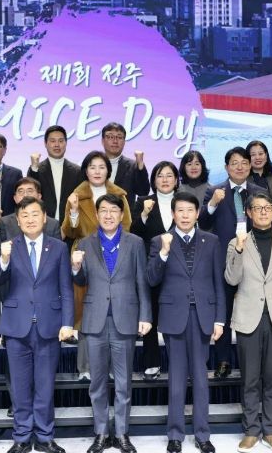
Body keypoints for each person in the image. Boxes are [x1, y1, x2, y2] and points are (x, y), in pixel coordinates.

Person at [0, 196, 74, 453]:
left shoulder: (58, 247)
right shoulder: (9, 246)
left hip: (49, 326)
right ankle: (22, 437)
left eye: (35, 214)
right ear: (17, 220)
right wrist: (3, 260)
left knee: (45, 386)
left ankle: (45, 436)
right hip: (17, 327)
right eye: (24, 215)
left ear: (45, 217)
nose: (30, 219)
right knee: (20, 387)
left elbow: (66, 288)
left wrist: (68, 322)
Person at [71, 194, 152, 453]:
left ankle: (122, 434)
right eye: (103, 210)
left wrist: (145, 316)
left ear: (121, 214)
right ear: (96, 215)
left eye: (113, 210)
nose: (108, 215)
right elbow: (81, 281)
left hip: (125, 320)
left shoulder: (135, 243)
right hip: (95, 321)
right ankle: (101, 434)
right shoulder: (85, 243)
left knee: (123, 383)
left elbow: (142, 282)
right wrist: (76, 268)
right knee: (96, 383)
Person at [146, 191, 225, 453]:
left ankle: (203, 434)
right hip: (174, 316)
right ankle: (175, 435)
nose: (185, 215)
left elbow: (218, 282)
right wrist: (164, 252)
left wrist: (220, 319)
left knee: (201, 379)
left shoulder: (211, 241)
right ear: (173, 213)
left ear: (197, 213)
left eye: (190, 210)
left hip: (203, 315)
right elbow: (151, 279)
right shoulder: (159, 241)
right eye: (180, 210)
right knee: (176, 379)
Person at [224, 193, 272, 453]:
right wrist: (238, 249)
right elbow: (232, 279)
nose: (264, 212)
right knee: (249, 380)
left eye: (268, 207)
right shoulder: (237, 242)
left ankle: (271, 431)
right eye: (257, 208)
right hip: (248, 319)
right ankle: (250, 431)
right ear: (248, 213)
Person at [61, 150, 132, 381]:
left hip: (114, 256)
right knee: (86, 313)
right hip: (84, 256)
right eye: (92, 167)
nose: (97, 171)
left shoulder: (119, 195)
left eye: (102, 167)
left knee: (113, 311)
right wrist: (73, 212)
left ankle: (112, 367)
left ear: (108, 171)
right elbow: (69, 231)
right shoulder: (76, 196)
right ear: (86, 171)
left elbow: (127, 226)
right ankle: (85, 367)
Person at [198, 147, 267, 378]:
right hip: (224, 260)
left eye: (244, 162)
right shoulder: (214, 191)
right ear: (226, 167)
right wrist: (212, 204)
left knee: (253, 309)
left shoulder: (259, 191)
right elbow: (203, 223)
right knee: (224, 311)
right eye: (234, 163)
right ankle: (224, 360)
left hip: (254, 259)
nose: (240, 167)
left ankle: (254, 360)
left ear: (250, 166)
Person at [131, 161, 179, 381]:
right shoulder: (143, 201)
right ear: (153, 180)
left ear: (176, 180)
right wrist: (143, 214)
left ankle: (178, 361)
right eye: (160, 175)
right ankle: (152, 362)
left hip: (178, 267)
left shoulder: (184, 201)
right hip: (150, 266)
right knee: (149, 312)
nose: (165, 179)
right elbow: (134, 232)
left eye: (169, 175)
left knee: (176, 314)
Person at [0, 177, 62, 258]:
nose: (25, 195)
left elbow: (58, 254)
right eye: (21, 192)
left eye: (30, 191)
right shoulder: (5, 222)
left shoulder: (52, 224)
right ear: (15, 198)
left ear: (39, 196)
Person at [27, 125, 84, 225]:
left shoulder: (77, 171)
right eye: (52, 141)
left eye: (61, 141)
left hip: (68, 226)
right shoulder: (36, 170)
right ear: (45, 144)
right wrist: (34, 168)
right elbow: (31, 194)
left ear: (66, 143)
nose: (57, 145)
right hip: (43, 225)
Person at [100, 122, 149, 209]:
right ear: (103, 141)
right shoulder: (93, 164)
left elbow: (143, 192)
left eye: (119, 137)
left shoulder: (133, 166)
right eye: (110, 137)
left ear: (124, 142)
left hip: (124, 216)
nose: (115, 141)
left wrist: (140, 165)